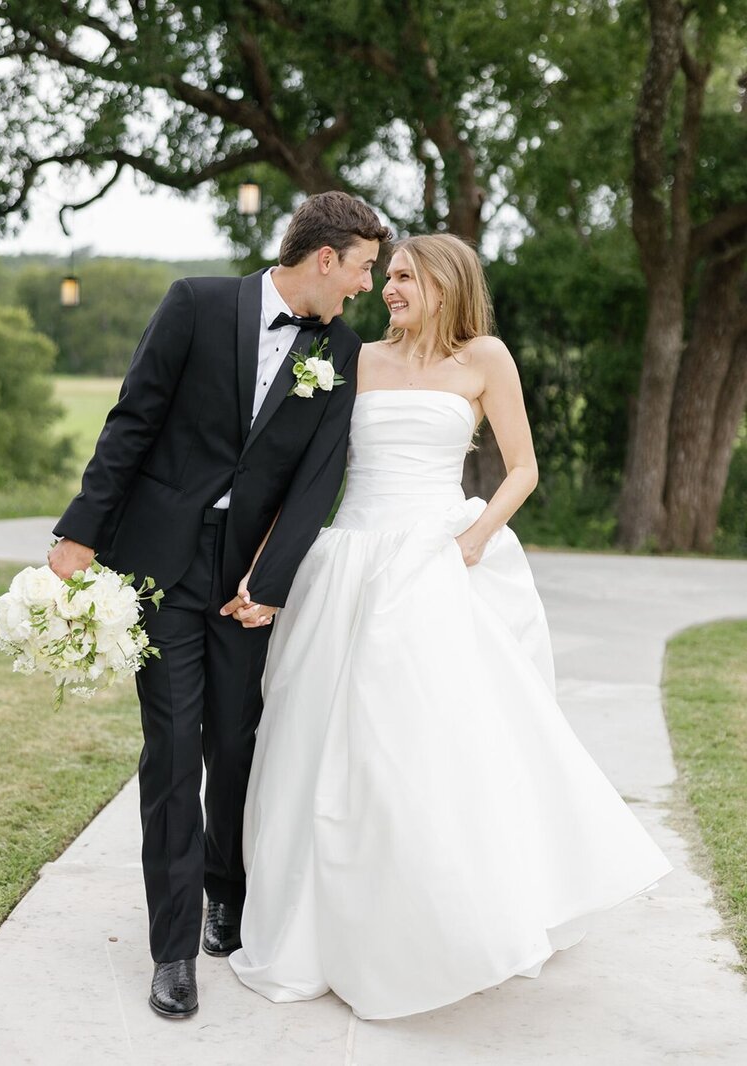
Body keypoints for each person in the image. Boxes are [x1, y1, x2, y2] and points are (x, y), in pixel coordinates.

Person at [229, 234, 673, 1020]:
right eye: (387, 274)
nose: (388, 288)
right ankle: (325, 921)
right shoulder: (355, 358)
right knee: (319, 743)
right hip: (350, 564)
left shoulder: (485, 359)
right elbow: (309, 474)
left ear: (444, 284)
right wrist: (267, 565)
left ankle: (445, 915)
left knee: (419, 744)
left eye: (403, 277)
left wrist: (476, 536)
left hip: (434, 561)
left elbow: (524, 467)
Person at [48, 191, 392, 1019]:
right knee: (171, 749)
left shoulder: (340, 350)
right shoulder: (196, 304)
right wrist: (79, 534)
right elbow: (131, 422)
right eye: (363, 269)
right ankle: (171, 952)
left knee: (235, 742)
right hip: (160, 568)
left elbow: (317, 480)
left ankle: (222, 892)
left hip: (245, 586)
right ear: (325, 258)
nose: (365, 288)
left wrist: (269, 583)